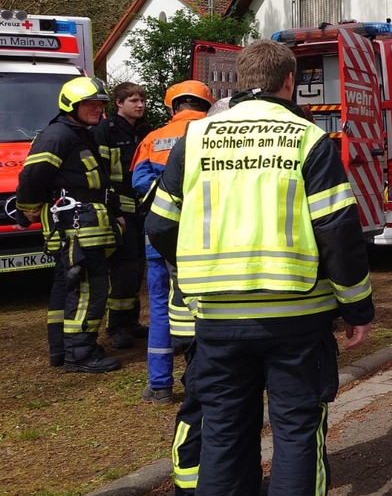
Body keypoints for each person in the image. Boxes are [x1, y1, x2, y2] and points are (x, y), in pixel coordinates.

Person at [145, 39, 374, 496]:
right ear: (289, 82)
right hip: (297, 318)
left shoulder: (196, 139)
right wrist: (357, 309)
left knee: (224, 434)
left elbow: (159, 225)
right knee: (296, 432)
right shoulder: (309, 139)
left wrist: (198, 272)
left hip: (216, 318)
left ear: (239, 80)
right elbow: (338, 234)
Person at [16, 76, 122, 373]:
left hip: (82, 226)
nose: (98, 109)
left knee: (70, 286)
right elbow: (32, 177)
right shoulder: (58, 135)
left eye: (101, 104)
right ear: (71, 105)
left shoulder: (79, 134)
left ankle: (64, 349)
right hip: (76, 228)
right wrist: (28, 209)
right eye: (91, 104)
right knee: (89, 288)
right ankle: (80, 353)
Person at [130, 80, 213, 404]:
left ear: (172, 107)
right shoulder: (216, 136)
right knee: (205, 305)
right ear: (206, 105)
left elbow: (139, 182)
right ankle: (202, 379)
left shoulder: (152, 139)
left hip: (160, 233)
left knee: (162, 307)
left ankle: (160, 384)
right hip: (205, 236)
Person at [92, 81, 152, 349]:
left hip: (143, 209)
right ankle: (116, 327)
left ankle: (131, 321)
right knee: (124, 269)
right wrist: (112, 211)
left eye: (141, 100)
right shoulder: (106, 131)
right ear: (118, 102)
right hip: (119, 210)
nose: (140, 105)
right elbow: (101, 175)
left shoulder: (146, 130)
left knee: (138, 266)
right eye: (133, 101)